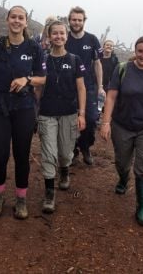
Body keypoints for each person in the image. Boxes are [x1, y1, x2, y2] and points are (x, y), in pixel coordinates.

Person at [0, 5, 46, 220]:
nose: (17, 21)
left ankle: (21, 199)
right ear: (7, 20)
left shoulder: (34, 48)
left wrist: (26, 79)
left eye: (21, 18)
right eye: (13, 17)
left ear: (26, 22)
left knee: (22, 155)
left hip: (24, 108)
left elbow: (43, 78)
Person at [99, 36, 143, 227]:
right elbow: (112, 96)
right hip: (122, 124)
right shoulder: (123, 69)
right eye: (140, 51)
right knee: (122, 162)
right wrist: (105, 122)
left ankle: (141, 207)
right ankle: (123, 178)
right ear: (135, 51)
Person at [35, 20, 86, 214]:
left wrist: (82, 114)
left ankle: (64, 171)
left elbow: (81, 88)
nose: (58, 36)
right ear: (49, 36)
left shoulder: (75, 60)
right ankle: (49, 192)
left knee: (65, 153)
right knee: (49, 153)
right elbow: (38, 87)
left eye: (61, 33)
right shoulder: (43, 59)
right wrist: (35, 110)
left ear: (66, 36)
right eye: (54, 33)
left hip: (69, 113)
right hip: (47, 113)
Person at [65, 6, 103, 165]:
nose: (76, 22)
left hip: (88, 86)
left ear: (84, 21)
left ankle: (85, 146)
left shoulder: (92, 39)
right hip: (67, 86)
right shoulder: (64, 38)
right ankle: (73, 151)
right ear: (69, 20)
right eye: (74, 19)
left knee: (91, 118)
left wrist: (100, 86)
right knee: (70, 119)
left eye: (79, 20)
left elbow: (97, 64)